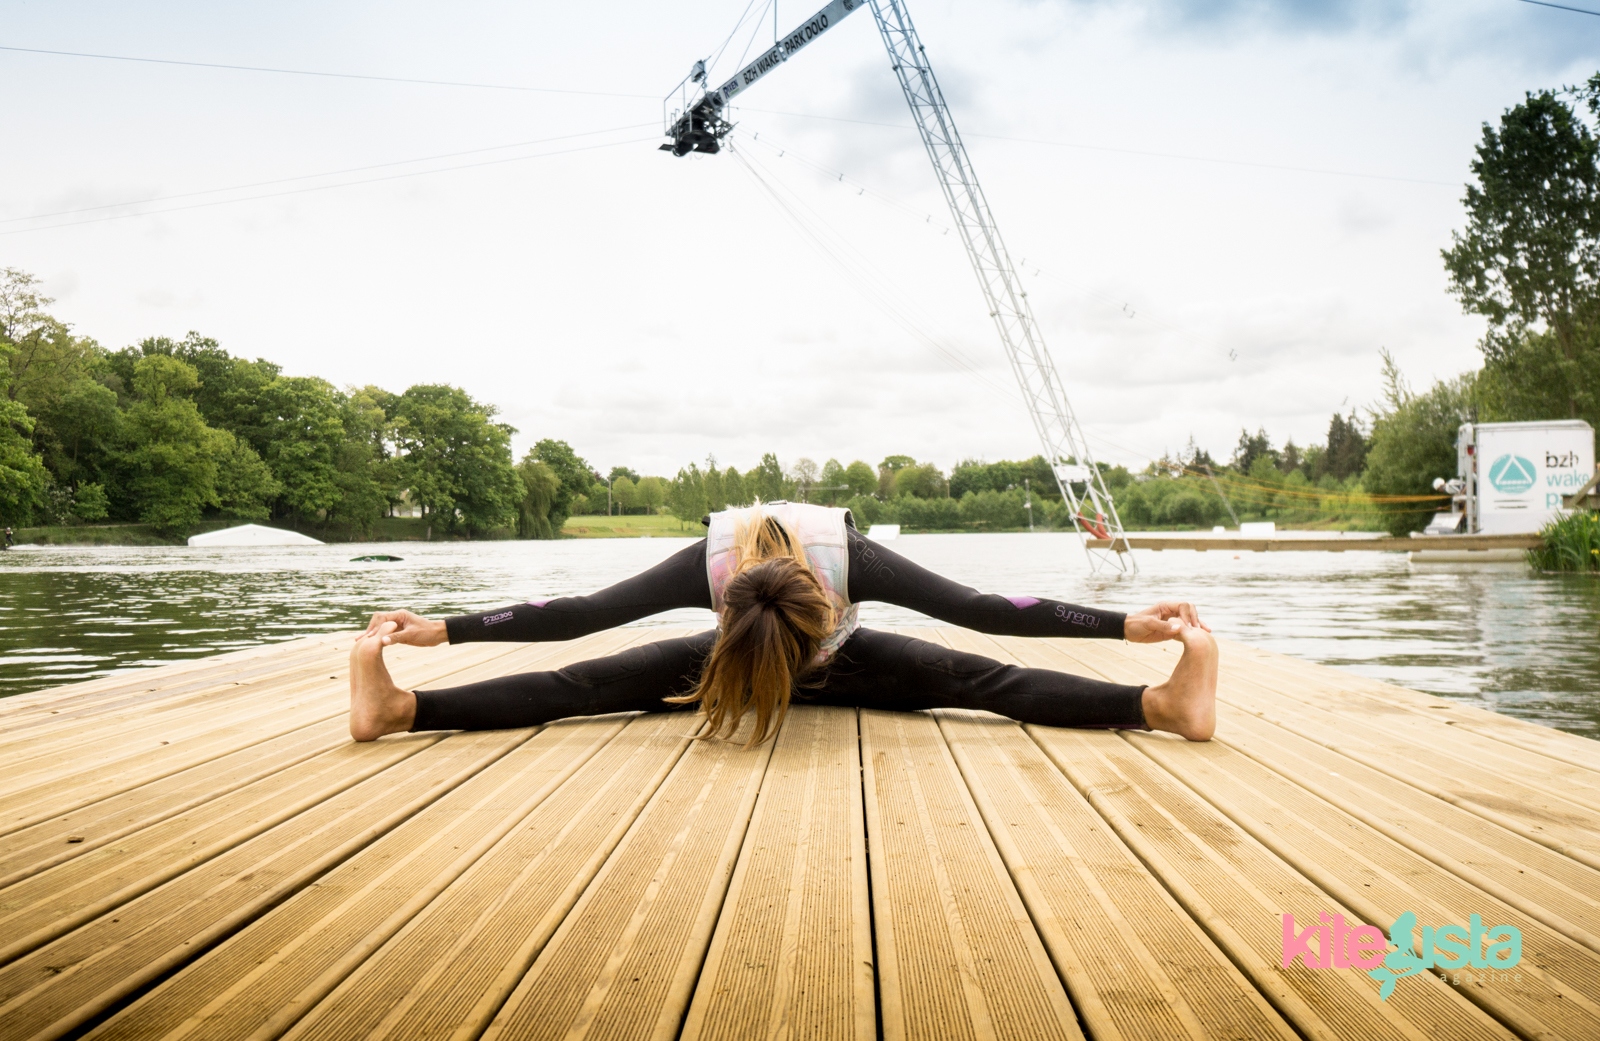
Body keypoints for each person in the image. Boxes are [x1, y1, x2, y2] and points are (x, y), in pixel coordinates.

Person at [349, 502, 1218, 745]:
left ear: (831, 607)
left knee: (979, 674)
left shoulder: (851, 554)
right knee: (980, 682)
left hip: (847, 661)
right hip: (733, 663)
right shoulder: (710, 563)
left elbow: (990, 612)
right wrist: (443, 630)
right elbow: (573, 616)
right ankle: (399, 711)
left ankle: (1164, 704)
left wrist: (1123, 624)